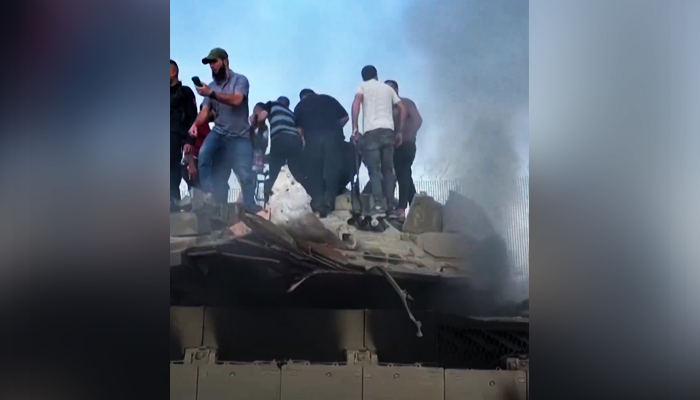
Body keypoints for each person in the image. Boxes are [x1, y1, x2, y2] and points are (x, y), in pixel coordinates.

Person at [188, 48, 259, 211]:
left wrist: (212, 93)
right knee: (204, 155)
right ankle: (209, 194)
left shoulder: (240, 80)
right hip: (219, 132)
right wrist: (195, 124)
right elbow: (205, 112)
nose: (211, 66)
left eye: (214, 62)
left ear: (225, 61)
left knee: (244, 173)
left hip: (240, 135)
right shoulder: (211, 86)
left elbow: (237, 100)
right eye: (209, 63)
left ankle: (251, 206)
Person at [351, 65, 406, 217]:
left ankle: (378, 206)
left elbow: (356, 105)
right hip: (388, 131)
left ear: (363, 77)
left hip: (371, 133)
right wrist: (399, 131)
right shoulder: (387, 89)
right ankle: (391, 207)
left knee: (374, 170)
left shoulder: (362, 87)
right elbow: (402, 107)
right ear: (376, 75)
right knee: (388, 170)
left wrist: (355, 129)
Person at [294, 89, 349, 217]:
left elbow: (299, 130)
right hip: (333, 138)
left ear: (302, 97)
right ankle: (330, 201)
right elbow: (345, 117)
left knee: (315, 171)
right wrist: (335, 128)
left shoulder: (300, 105)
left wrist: (302, 143)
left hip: (313, 139)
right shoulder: (329, 99)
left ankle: (318, 203)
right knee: (332, 169)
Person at [252, 96, 304, 202]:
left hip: (280, 138)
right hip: (294, 141)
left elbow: (262, 117)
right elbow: (300, 133)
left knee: (274, 171)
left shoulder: (272, 104)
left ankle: (266, 201)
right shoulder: (291, 113)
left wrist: (259, 125)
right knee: (297, 173)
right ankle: (306, 201)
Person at [385, 80, 422, 220]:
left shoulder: (405, 103)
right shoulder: (386, 107)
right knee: (403, 174)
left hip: (406, 144)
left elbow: (418, 120)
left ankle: (401, 208)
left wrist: (407, 135)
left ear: (396, 90)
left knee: (403, 172)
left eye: (390, 89)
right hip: (392, 146)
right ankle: (415, 204)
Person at [170, 60, 198, 212]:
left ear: (173, 72)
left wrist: (189, 141)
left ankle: (172, 215)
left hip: (175, 139)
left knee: (171, 178)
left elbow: (192, 118)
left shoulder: (185, 93)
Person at [181, 104, 215, 191]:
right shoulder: (196, 123)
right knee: (198, 194)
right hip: (194, 164)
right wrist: (191, 164)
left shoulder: (206, 126)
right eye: (214, 111)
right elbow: (189, 144)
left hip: (202, 164)